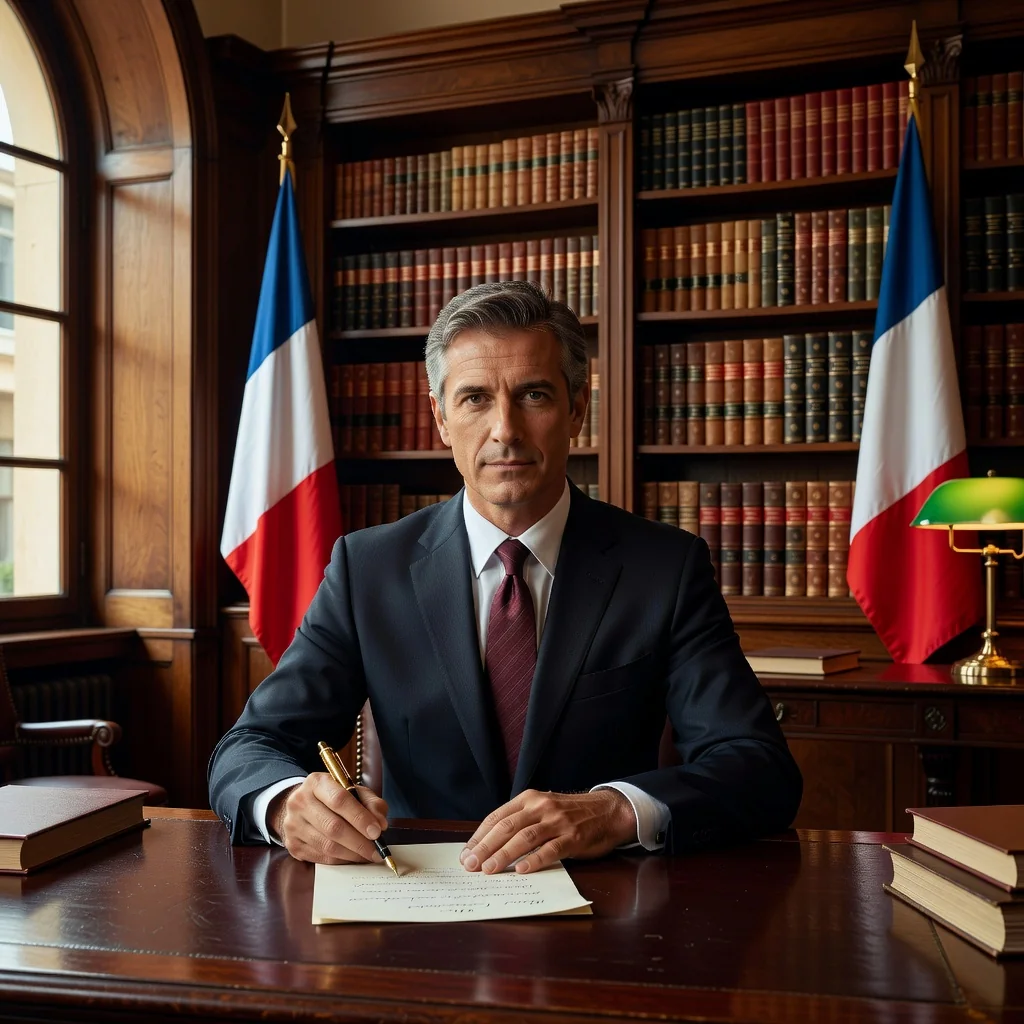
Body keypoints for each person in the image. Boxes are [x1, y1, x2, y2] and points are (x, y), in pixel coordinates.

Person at [208, 280, 802, 874]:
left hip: (604, 908)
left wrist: (615, 810)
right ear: (440, 418)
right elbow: (248, 748)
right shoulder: (367, 570)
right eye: (474, 399)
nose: (505, 430)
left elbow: (758, 766)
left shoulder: (664, 569)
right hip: (416, 904)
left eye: (533, 395)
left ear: (576, 408)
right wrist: (286, 806)